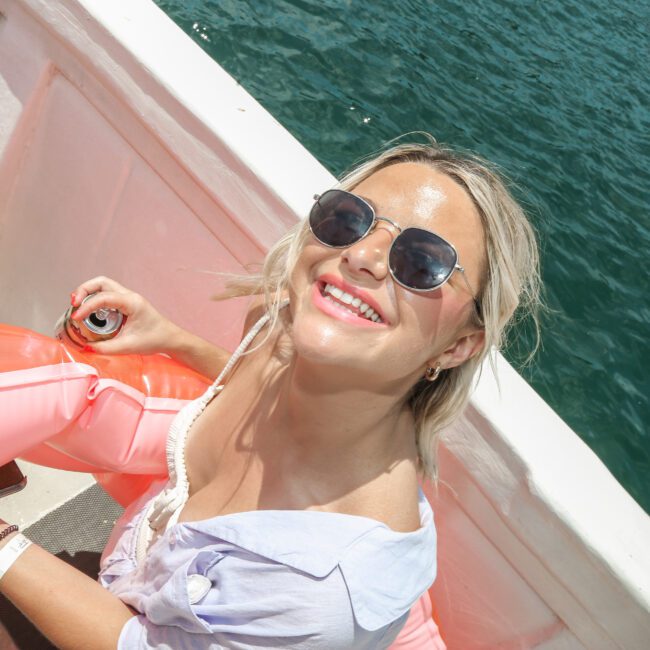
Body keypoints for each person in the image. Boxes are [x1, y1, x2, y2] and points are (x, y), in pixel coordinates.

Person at [0, 138, 540, 649]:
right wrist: (171, 338)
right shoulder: (278, 331)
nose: (363, 257)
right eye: (350, 219)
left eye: (423, 263)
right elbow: (245, 386)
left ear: (459, 346)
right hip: (135, 585)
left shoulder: (327, 583)